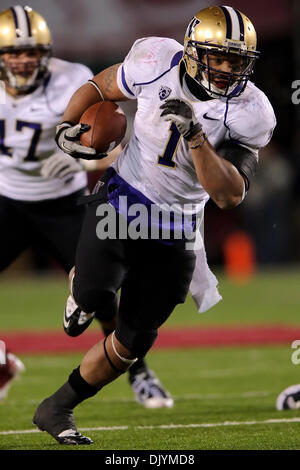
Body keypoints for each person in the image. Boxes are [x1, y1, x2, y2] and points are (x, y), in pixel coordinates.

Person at [33, 5, 276, 445]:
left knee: (133, 342)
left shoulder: (250, 110)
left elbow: (228, 195)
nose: (225, 69)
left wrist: (196, 136)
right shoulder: (154, 61)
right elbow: (100, 84)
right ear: (190, 50)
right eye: (216, 57)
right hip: (124, 198)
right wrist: (68, 124)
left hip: (178, 226)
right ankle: (82, 286)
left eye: (236, 61)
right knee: (93, 294)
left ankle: (57, 407)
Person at [0, 5, 172, 408]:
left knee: (103, 298)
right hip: (8, 199)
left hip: (64, 202)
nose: (24, 59)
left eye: (32, 51)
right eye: (14, 52)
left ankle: (140, 372)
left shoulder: (71, 80)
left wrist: (82, 157)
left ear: (46, 52)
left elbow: (112, 143)